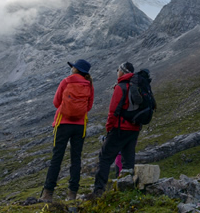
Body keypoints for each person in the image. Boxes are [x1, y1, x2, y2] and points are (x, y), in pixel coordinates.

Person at [41, 59, 94, 202]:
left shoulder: (66, 81)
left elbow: (56, 102)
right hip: (80, 126)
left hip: (62, 124)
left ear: (76, 69)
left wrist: (67, 109)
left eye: (73, 67)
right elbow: (88, 106)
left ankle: (48, 193)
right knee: (76, 159)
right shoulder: (88, 84)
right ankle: (72, 194)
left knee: (56, 158)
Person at [92, 62, 140, 197]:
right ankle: (127, 191)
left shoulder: (121, 87)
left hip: (119, 128)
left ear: (123, 71)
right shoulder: (137, 86)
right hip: (134, 129)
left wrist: (109, 129)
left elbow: (113, 111)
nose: (117, 71)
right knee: (128, 161)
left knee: (105, 157)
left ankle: (99, 191)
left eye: (118, 69)